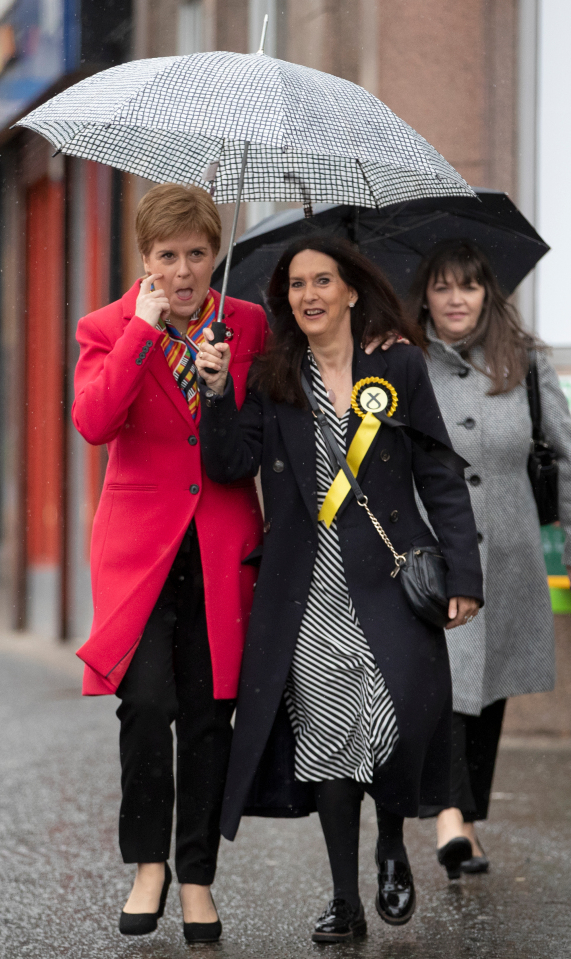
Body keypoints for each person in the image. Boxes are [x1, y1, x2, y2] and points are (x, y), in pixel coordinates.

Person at [194, 234, 484, 943]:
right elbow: (232, 462)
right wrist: (212, 388)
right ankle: (343, 896)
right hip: (306, 584)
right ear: (285, 299)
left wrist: (462, 573)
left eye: (323, 280)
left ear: (351, 290)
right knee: (327, 738)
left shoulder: (398, 363)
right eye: (296, 285)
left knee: (395, 719)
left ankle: (390, 842)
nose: (310, 295)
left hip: (388, 575)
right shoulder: (271, 374)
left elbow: (437, 472)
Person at [71, 183, 269, 941]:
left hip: (220, 544)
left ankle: (195, 878)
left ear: (215, 253)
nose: (184, 271)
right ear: (144, 259)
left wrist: (223, 387)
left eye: (196, 254)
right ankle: (145, 861)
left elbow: (253, 433)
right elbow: (94, 421)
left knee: (209, 714)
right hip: (138, 553)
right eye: (167, 256)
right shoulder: (108, 325)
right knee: (147, 703)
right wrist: (141, 335)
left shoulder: (246, 325)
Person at [407, 239, 571, 877]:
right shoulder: (403, 360)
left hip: (511, 551)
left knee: (488, 692)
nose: (455, 299)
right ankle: (450, 819)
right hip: (439, 550)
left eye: (468, 285)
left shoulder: (526, 360)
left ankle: (468, 819)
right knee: (450, 683)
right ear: (425, 295)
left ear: (489, 292)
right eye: (441, 286)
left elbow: (566, 454)